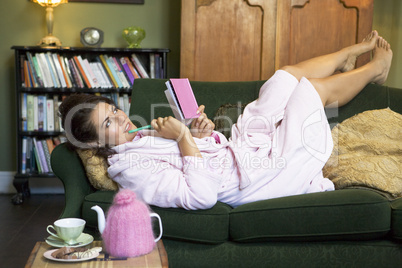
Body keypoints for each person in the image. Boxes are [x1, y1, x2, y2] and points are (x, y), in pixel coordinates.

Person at [59, 31, 393, 210]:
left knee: (283, 79)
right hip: (262, 176)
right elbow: (200, 196)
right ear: (93, 143)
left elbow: (194, 155)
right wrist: (183, 139)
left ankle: (345, 55)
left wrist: (198, 133)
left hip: (240, 149)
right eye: (108, 125)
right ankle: (373, 70)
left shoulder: (141, 138)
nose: (121, 120)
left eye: (115, 111)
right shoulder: (130, 170)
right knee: (309, 94)